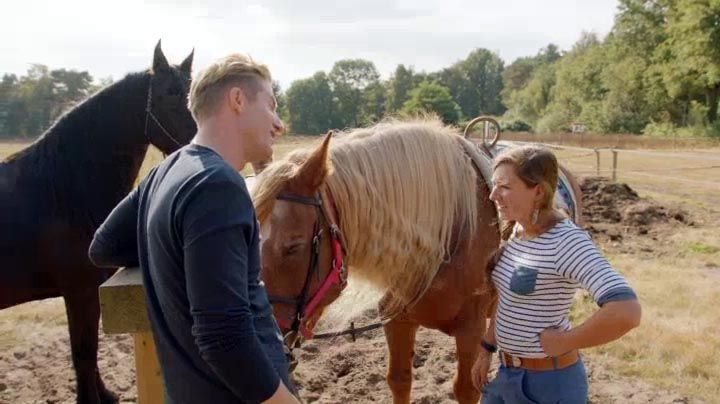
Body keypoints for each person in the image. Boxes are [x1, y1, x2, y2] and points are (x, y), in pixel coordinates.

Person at [88, 53, 299, 404]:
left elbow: (103, 246)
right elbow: (224, 338)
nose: (279, 124)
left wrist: (176, 253)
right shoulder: (218, 186)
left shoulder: (165, 173)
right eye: (271, 105)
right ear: (237, 100)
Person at [471, 146, 642, 404]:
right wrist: (486, 349)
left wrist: (564, 341)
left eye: (505, 187)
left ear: (538, 191)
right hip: (507, 375)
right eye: (495, 185)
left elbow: (627, 311)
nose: (494, 195)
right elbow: (510, 300)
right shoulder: (518, 230)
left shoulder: (567, 242)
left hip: (549, 386)